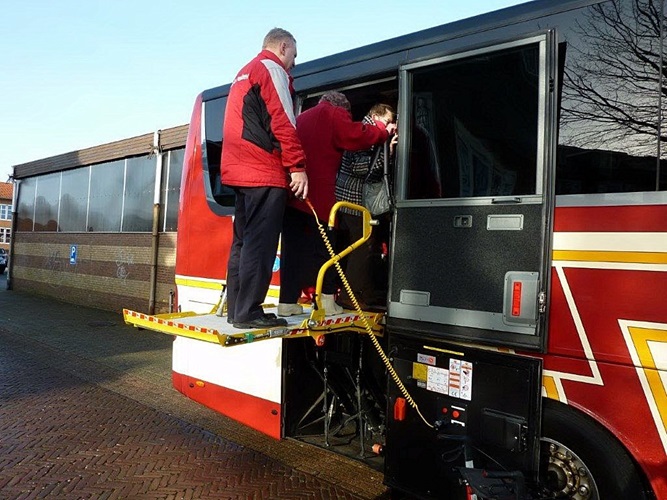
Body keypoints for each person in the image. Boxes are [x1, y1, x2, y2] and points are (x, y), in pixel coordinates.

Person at [278, 92, 396, 317]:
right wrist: (381, 133)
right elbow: (355, 136)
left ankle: (287, 301)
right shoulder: (333, 114)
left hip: (294, 193)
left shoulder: (301, 118)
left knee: (293, 250)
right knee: (326, 249)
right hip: (318, 196)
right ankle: (327, 302)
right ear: (342, 108)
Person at [221, 28, 308, 329]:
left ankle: (238, 310)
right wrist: (297, 166)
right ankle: (250, 312)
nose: (293, 63)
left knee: (243, 243)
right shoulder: (271, 68)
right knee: (261, 242)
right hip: (263, 171)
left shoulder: (244, 72)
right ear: (283, 47)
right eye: (294, 56)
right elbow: (283, 120)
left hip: (239, 170)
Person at [335, 103, 397, 310]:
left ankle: (366, 292)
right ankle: (349, 295)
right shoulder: (366, 133)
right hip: (353, 199)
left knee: (368, 244)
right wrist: (385, 148)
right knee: (362, 244)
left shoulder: (371, 133)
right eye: (388, 122)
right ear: (376, 117)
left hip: (357, 200)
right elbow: (362, 169)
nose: (392, 127)